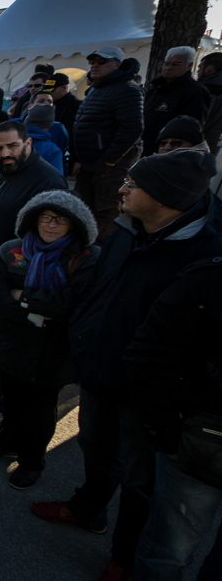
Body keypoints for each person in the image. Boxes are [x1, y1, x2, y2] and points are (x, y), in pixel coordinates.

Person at [31, 148, 221, 579]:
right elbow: (97, 291)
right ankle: (87, 508)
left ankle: (124, 556)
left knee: (142, 482)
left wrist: (166, 403)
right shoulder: (124, 231)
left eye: (133, 185)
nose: (121, 188)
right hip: (100, 372)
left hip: (151, 395)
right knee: (95, 449)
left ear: (165, 196)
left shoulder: (205, 254)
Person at [0, 191, 100, 489]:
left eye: (60, 220)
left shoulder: (84, 259)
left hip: (52, 352)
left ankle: (32, 462)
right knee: (10, 398)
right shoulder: (11, 251)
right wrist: (37, 312)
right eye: (45, 218)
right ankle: (6, 442)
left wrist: (24, 299)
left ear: (75, 225)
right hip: (12, 343)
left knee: (40, 410)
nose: (51, 225)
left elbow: (71, 305)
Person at [0, 121, 66, 421]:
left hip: (14, 281)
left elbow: (52, 238)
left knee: (3, 345)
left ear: (28, 143)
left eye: (12, 146)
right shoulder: (2, 173)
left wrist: (24, 279)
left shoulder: (47, 180)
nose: (5, 153)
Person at [124, 256, 222, 580]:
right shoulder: (207, 277)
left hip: (192, 436)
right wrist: (167, 431)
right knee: (166, 552)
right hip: (197, 442)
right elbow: (151, 351)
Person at [72, 46, 143, 241]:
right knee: (82, 207)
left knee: (105, 212)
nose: (95, 65)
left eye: (101, 61)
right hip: (90, 164)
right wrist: (79, 159)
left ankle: (101, 254)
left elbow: (132, 129)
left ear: (117, 64)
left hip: (110, 168)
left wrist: (110, 161)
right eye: (92, 61)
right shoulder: (97, 88)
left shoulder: (128, 90)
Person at [140, 46, 211, 158]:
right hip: (143, 148)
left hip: (167, 153)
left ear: (189, 66)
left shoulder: (195, 92)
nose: (169, 67)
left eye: (175, 64)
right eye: (167, 63)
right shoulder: (155, 88)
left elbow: (191, 128)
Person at [199, 51, 222, 153]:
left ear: (209, 69)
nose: (198, 70)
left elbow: (203, 119)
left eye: (200, 67)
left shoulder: (210, 88)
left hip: (203, 143)